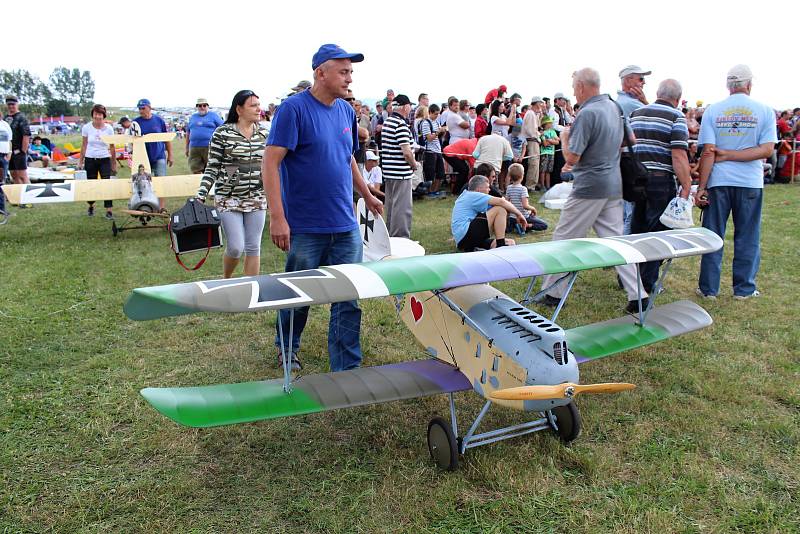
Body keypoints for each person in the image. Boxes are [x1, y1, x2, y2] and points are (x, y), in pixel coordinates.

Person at [263, 43, 383, 372]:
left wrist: (367, 194)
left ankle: (346, 366)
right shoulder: (293, 110)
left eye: (351, 72)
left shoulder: (346, 111)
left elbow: (347, 159)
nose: (349, 79)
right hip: (304, 226)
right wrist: (277, 217)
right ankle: (287, 349)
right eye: (343, 72)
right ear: (320, 73)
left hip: (344, 225)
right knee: (298, 294)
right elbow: (270, 163)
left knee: (348, 296)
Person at [538, 68, 648, 313]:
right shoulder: (614, 107)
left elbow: (572, 157)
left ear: (581, 87)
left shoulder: (587, 113)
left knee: (563, 241)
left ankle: (554, 293)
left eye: (574, 88)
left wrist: (566, 137)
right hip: (613, 185)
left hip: (589, 187)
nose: (573, 93)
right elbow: (630, 139)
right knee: (617, 244)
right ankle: (638, 295)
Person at [695, 65, 776, 300]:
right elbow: (766, 149)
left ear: (728, 86)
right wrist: (734, 155)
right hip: (749, 181)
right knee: (748, 235)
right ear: (749, 84)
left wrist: (702, 186)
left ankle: (708, 288)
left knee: (713, 235)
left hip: (719, 180)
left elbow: (708, 152)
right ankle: (744, 289)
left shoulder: (713, 111)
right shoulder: (764, 110)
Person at [629, 79, 692, 292]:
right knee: (657, 233)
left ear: (657, 93)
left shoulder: (636, 114)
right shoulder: (676, 116)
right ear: (677, 98)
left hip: (636, 179)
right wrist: (686, 183)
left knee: (636, 231)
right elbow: (678, 154)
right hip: (660, 179)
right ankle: (646, 283)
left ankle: (630, 278)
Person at [197, 90, 268, 279]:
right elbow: (212, 167)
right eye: (253, 105)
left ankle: (251, 290)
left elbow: (271, 166)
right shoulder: (222, 133)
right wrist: (201, 193)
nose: (258, 109)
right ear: (239, 109)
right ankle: (226, 279)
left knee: (254, 246)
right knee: (236, 247)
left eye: (258, 105)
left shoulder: (264, 133)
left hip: (257, 197)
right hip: (228, 198)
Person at [617, 65, 652, 233]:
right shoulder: (632, 104)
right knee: (632, 213)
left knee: (626, 212)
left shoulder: (619, 102)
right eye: (640, 78)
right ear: (628, 80)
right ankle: (629, 256)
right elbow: (657, 118)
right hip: (632, 163)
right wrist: (646, 102)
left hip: (623, 163)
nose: (644, 82)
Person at [451, 174, 526, 252]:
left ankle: (479, 250)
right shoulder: (473, 195)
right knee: (500, 209)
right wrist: (519, 214)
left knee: (511, 242)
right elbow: (501, 202)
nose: (489, 190)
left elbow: (494, 207)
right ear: (478, 190)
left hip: (464, 240)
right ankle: (501, 246)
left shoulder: (466, 195)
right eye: (487, 187)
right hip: (466, 236)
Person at [381, 94, 417, 238]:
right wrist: (414, 165)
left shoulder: (388, 121)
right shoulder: (401, 124)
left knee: (391, 207)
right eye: (410, 106)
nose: (410, 109)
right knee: (402, 209)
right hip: (401, 173)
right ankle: (401, 239)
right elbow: (407, 153)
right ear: (405, 107)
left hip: (389, 172)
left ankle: (390, 237)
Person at [133, 98, 173, 210]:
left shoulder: (159, 121)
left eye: (143, 108)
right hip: (143, 157)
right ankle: (146, 204)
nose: (141, 111)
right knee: (143, 182)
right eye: (140, 108)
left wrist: (170, 154)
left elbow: (167, 138)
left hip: (159, 155)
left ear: (149, 107)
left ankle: (161, 207)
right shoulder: (136, 122)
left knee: (161, 181)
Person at [79, 104, 117, 218]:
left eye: (100, 114)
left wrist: (114, 163)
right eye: (96, 114)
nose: (98, 116)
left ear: (103, 115)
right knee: (91, 183)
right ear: (92, 115)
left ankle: (109, 210)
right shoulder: (86, 128)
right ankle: (91, 206)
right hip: (90, 158)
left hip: (105, 158)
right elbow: (84, 145)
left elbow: (112, 147)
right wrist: (80, 161)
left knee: (107, 184)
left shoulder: (109, 129)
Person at [505, 163, 548, 232]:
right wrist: (533, 209)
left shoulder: (509, 188)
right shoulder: (523, 189)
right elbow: (525, 206)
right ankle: (526, 225)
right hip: (524, 217)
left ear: (510, 176)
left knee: (509, 227)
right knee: (544, 225)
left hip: (512, 217)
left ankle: (513, 226)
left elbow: (506, 203)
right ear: (522, 176)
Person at [185, 98, 223, 174]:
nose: (202, 107)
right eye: (200, 106)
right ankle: (199, 184)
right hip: (194, 148)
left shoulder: (214, 116)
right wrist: (186, 147)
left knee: (211, 169)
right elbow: (188, 132)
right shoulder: (193, 117)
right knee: (195, 169)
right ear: (197, 107)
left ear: (207, 106)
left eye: (204, 105)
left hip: (210, 147)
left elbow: (222, 128)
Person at [417, 104, 446, 196]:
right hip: (429, 151)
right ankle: (429, 192)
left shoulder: (437, 122)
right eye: (435, 114)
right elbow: (429, 138)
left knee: (440, 173)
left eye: (438, 114)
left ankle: (435, 191)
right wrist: (438, 132)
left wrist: (443, 132)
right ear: (430, 113)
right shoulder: (425, 123)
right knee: (430, 173)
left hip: (437, 150)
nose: (437, 116)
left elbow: (438, 137)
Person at [5, 95, 31, 187]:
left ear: (17, 104)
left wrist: (23, 150)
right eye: (9, 104)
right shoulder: (5, 118)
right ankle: (20, 197)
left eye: (13, 104)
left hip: (19, 150)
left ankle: (29, 196)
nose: (11, 106)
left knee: (22, 175)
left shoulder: (21, 118)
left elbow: (26, 135)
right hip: (8, 151)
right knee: (14, 174)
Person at [522, 96, 544, 187]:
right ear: (537, 103)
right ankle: (530, 185)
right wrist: (539, 135)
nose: (542, 105)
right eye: (540, 103)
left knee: (535, 163)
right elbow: (530, 131)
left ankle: (532, 185)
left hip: (534, 140)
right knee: (533, 163)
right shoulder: (530, 114)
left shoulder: (533, 114)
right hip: (532, 141)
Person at [539, 116, 559, 190]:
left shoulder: (553, 132)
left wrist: (549, 140)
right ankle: (542, 186)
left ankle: (548, 186)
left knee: (549, 171)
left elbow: (557, 141)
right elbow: (544, 144)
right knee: (543, 170)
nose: (551, 124)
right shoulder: (543, 133)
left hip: (551, 153)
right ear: (546, 124)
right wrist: (551, 140)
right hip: (544, 153)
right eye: (550, 123)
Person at [0, 115, 11, 212]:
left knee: (2, 182)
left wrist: (9, 153)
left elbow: (9, 140)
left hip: (3, 156)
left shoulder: (5, 124)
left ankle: (2, 208)